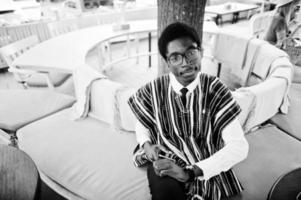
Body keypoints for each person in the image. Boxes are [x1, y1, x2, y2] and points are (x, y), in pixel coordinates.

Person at [128, 22, 249, 200]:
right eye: (175, 57)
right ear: (166, 62)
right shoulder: (154, 89)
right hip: (167, 158)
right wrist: (146, 144)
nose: (185, 63)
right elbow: (142, 122)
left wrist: (190, 173)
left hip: (207, 163)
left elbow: (239, 147)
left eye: (191, 53)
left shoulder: (216, 90)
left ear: (201, 52)